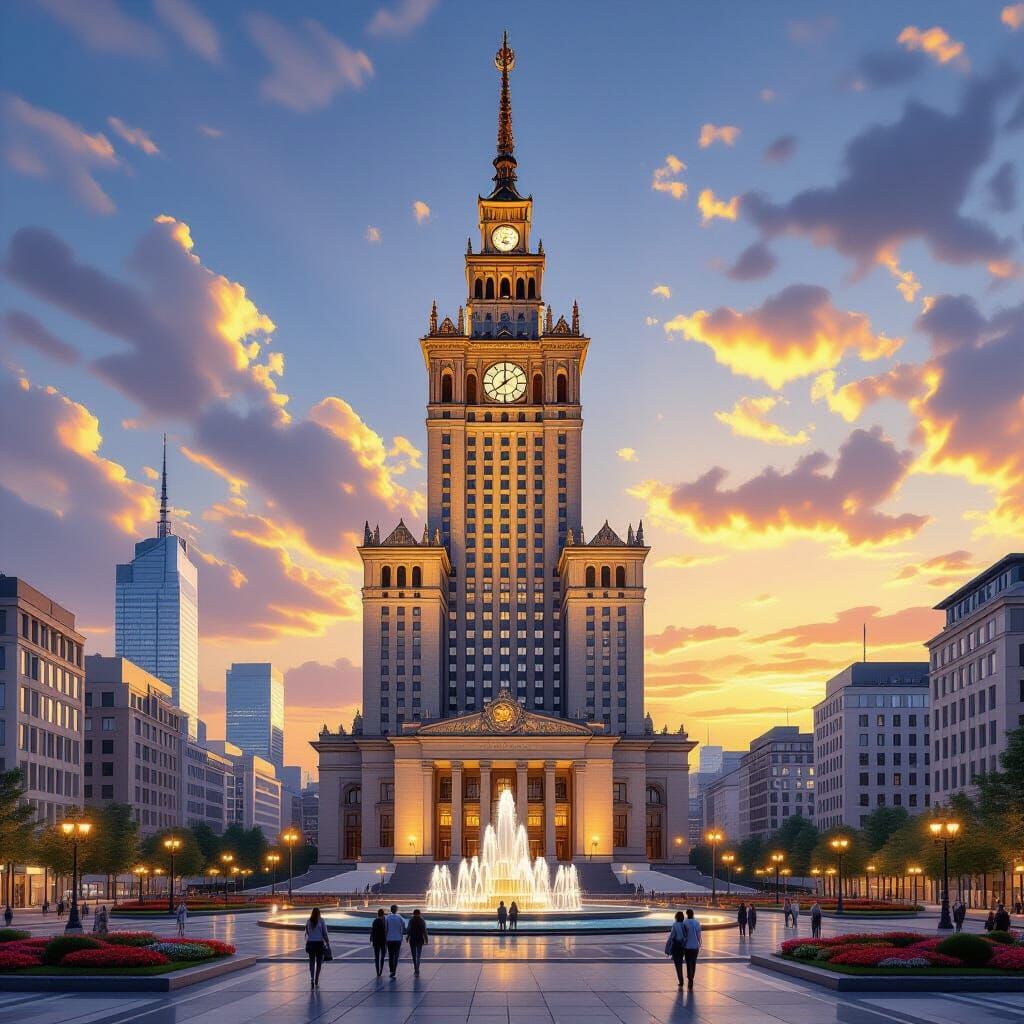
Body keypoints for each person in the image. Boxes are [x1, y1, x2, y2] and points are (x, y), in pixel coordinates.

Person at [304, 907, 330, 989]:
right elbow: (324, 933)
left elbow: (307, 932)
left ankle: (311, 978)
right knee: (319, 962)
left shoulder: (308, 921)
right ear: (319, 913)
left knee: (311, 961)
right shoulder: (321, 921)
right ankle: (316, 979)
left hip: (311, 943)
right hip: (319, 943)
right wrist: (328, 943)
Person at [681, 908, 702, 989]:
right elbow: (699, 935)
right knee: (693, 963)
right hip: (695, 946)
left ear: (687, 914)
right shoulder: (696, 923)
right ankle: (692, 977)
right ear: (693, 914)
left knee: (688, 963)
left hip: (687, 947)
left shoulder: (684, 923)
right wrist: (699, 943)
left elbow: (683, 935)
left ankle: (689, 978)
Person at [385, 904, 406, 978]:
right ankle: (394, 970)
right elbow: (404, 925)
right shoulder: (399, 917)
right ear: (396, 910)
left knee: (390, 955)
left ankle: (391, 970)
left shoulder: (387, 917)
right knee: (396, 955)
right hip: (397, 939)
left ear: (391, 910)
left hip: (389, 939)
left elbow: (385, 928)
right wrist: (401, 933)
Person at [407, 908, 428, 975]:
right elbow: (424, 931)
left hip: (412, 939)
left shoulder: (411, 920)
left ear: (413, 913)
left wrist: (408, 937)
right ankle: (417, 968)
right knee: (418, 955)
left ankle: (415, 968)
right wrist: (426, 939)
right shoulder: (422, 920)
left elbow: (409, 929)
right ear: (419, 914)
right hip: (419, 939)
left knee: (414, 955)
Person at [370, 908, 387, 977]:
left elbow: (372, 931)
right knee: (382, 957)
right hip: (383, 941)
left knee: (376, 957)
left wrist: (371, 938)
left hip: (376, 941)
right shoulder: (384, 921)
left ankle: (377, 972)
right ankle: (381, 970)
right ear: (383, 914)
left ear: (378, 914)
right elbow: (386, 931)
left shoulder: (375, 921)